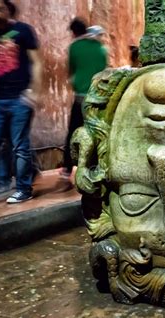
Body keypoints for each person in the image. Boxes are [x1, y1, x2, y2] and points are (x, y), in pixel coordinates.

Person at [0, 0, 42, 203]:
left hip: (21, 97)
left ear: (8, 8)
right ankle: (3, 183)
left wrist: (34, 91)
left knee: (19, 145)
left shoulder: (23, 31)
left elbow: (37, 62)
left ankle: (24, 189)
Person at [56, 18, 107, 191]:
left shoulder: (74, 47)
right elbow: (104, 71)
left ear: (73, 32)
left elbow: (70, 72)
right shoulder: (100, 48)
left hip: (80, 98)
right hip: (97, 98)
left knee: (72, 134)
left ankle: (66, 172)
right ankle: (98, 170)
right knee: (97, 133)